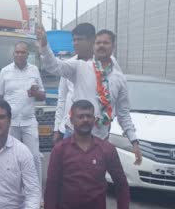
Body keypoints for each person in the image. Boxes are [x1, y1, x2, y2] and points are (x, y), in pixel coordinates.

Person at [39, 27, 142, 164]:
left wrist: (134, 140)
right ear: (94, 45)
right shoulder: (80, 67)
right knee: (69, 178)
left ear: (113, 46)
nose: (101, 46)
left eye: (106, 43)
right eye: (98, 43)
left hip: (100, 138)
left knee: (94, 180)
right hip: (74, 135)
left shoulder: (119, 78)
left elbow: (123, 113)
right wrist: (45, 46)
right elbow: (54, 66)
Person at [0, 41, 45, 184]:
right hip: (11, 123)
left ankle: (37, 195)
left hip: (29, 121)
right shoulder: (5, 71)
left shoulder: (34, 70)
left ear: (27, 55)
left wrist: (36, 93)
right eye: (17, 52)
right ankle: (12, 189)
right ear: (13, 54)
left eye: (22, 52)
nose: (19, 55)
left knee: (34, 157)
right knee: (10, 156)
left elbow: (43, 95)